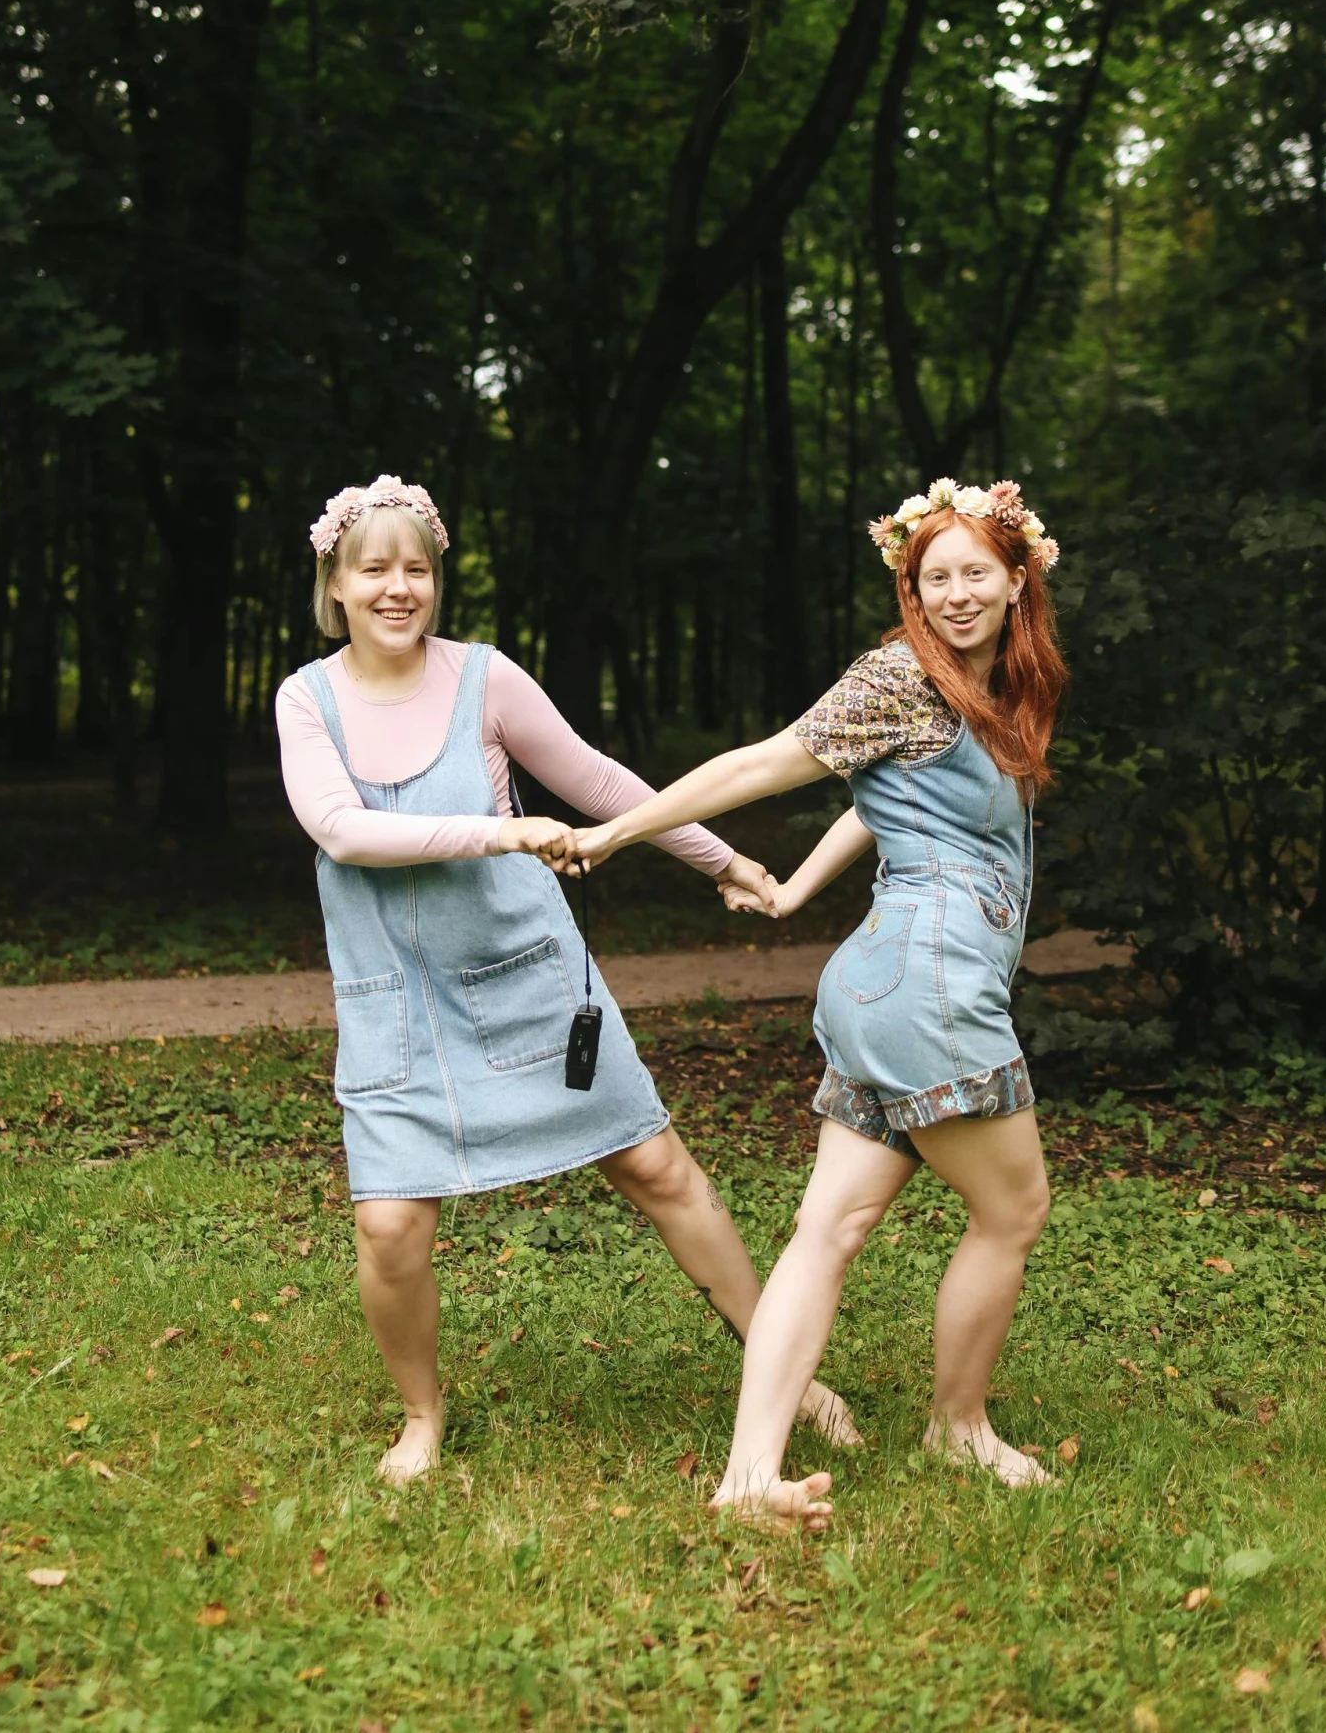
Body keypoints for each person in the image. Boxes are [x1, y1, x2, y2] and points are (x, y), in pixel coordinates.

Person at [276, 472, 860, 1483]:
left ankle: (787, 1377)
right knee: (389, 1220)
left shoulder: (486, 679)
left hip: (529, 982)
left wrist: (722, 861)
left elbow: (599, 782)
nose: (397, 587)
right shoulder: (306, 699)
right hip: (398, 1007)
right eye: (373, 569)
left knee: (657, 1169)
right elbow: (343, 829)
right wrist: (501, 828)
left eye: (416, 567)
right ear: (336, 582)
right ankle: (421, 1414)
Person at [555, 478, 1068, 1528]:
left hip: (884, 979)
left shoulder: (994, 687)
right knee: (1011, 1208)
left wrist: (792, 891)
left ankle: (749, 1477)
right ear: (911, 592)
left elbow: (878, 798)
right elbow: (764, 762)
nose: (956, 593)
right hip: (927, 988)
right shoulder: (897, 674)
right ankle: (957, 1427)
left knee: (826, 1226)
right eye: (935, 579)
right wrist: (617, 833)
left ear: (1019, 578)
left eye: (976, 571)